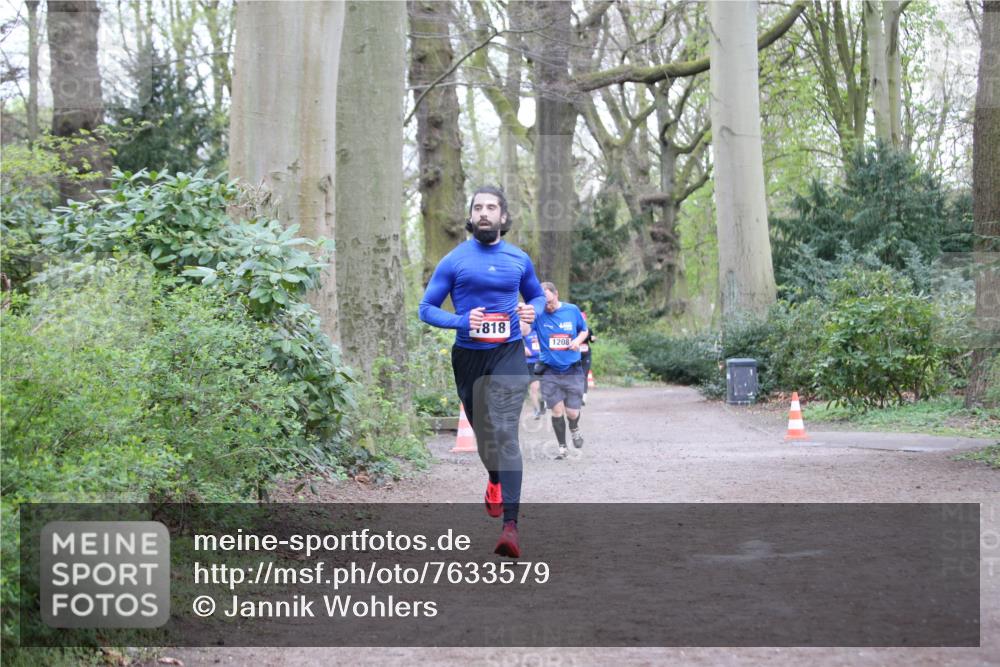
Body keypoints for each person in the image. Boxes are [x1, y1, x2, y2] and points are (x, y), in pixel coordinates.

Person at [418, 185, 546, 558]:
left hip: (508, 353)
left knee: (505, 433)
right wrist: (461, 321)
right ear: (471, 217)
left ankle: (511, 527)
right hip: (469, 358)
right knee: (486, 436)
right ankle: (493, 479)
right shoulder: (454, 260)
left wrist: (533, 311)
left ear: (503, 217)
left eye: (491, 207)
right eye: (478, 208)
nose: (484, 213)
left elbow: (536, 295)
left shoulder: (519, 259)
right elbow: (426, 308)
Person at [533, 282, 589, 460]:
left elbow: (584, 331)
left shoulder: (571, 310)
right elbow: (524, 330)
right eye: (544, 303)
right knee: (557, 411)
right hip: (549, 371)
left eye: (550, 302)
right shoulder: (538, 314)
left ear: (556, 294)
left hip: (572, 369)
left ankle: (574, 427)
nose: (547, 307)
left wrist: (577, 341)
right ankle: (562, 448)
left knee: (572, 412)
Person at [520, 317, 544, 419]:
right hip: (528, 365)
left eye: (522, 324)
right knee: (533, 388)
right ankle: (537, 410)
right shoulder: (520, 338)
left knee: (540, 388)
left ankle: (541, 402)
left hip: (541, 363)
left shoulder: (537, 332)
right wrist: (523, 348)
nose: (521, 327)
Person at [579, 312, 594, 405]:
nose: (582, 321)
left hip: (586, 356)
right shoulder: (574, 329)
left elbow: (591, 340)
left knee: (584, 376)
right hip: (575, 356)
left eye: (583, 319)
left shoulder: (588, 330)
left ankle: (583, 398)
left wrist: (593, 338)